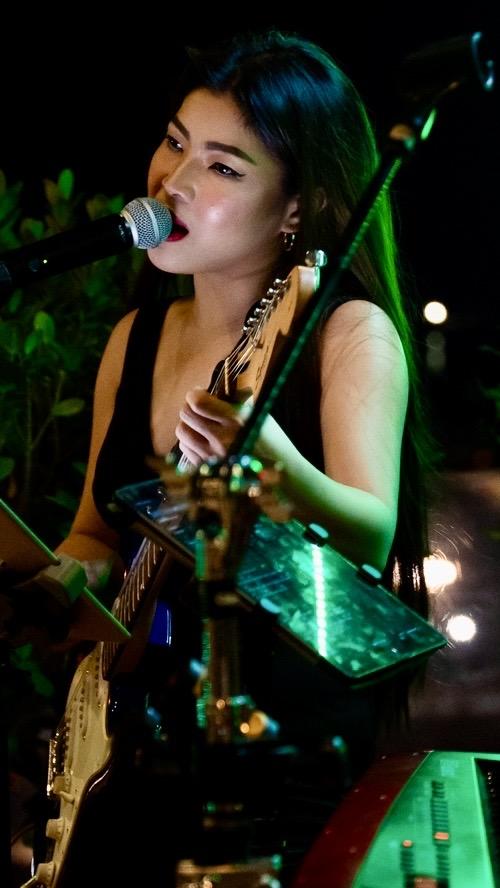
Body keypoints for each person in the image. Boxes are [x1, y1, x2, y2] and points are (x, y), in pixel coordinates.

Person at [50, 28, 430, 886]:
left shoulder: (349, 332)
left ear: (298, 207)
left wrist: (274, 462)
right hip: (129, 760)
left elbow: (370, 537)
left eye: (222, 167)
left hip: (274, 772)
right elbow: (95, 536)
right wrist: (51, 581)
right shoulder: (135, 338)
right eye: (175, 142)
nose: (172, 182)